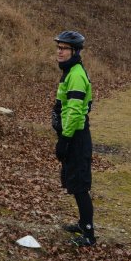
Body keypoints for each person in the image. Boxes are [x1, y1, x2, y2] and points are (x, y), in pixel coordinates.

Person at [52, 30, 96, 247]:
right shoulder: (70, 71)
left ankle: (88, 234)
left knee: (80, 186)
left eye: (64, 48)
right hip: (73, 135)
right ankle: (82, 222)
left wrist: (65, 139)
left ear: (75, 51)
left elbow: (75, 111)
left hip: (77, 137)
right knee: (74, 181)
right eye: (58, 48)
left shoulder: (76, 74)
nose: (59, 52)